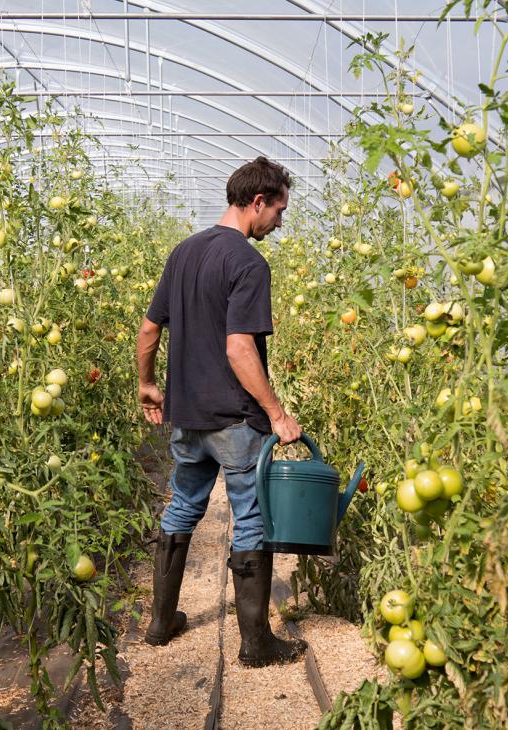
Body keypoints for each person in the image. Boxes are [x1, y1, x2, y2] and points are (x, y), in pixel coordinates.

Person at [135, 156, 307, 667]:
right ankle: (256, 645)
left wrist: (147, 384)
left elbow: (149, 330)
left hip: (187, 416)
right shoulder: (249, 263)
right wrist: (276, 412)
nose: (279, 223)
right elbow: (238, 348)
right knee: (251, 518)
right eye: (279, 211)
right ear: (258, 202)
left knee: (183, 507)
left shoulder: (184, 252)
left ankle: (161, 622)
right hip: (234, 418)